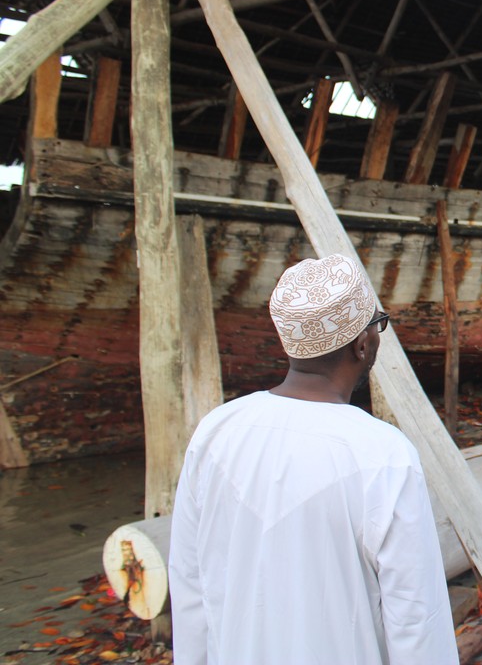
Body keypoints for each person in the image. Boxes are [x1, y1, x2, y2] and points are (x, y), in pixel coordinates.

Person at [169, 253, 456, 665]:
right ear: (363, 345)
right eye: (377, 324)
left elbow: (189, 585)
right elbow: (416, 619)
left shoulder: (215, 431)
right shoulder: (383, 454)